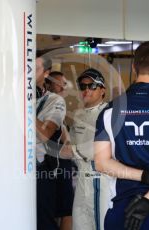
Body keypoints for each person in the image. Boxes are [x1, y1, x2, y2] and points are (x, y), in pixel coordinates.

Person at [94, 41, 149, 230]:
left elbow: (101, 162)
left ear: (134, 67)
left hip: (122, 211)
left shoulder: (109, 111)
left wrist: (144, 176)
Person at [70, 68, 108, 230]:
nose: (86, 90)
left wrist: (73, 151)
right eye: (82, 86)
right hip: (80, 180)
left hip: (101, 179)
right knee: (79, 225)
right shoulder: (78, 115)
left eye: (92, 86)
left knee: (101, 225)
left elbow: (100, 151)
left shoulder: (108, 113)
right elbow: (70, 146)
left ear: (102, 90)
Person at [36, 55, 66, 230]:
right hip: (10, 168)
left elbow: (45, 134)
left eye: (36, 68)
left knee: (43, 222)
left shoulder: (55, 101)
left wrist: (26, 108)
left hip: (41, 171)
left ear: (46, 73)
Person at [48, 71, 74, 230]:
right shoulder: (50, 104)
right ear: (49, 84)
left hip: (61, 163)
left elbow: (65, 136)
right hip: (53, 164)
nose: (63, 86)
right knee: (62, 209)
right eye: (60, 83)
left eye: (64, 83)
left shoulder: (58, 104)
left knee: (66, 208)